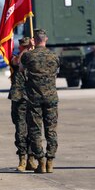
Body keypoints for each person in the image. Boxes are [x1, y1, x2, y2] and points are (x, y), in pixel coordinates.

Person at [21, 29, 60, 173]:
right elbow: (56, 72)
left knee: (35, 131)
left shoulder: (28, 56)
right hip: (51, 98)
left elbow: (20, 69)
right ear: (46, 39)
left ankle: (41, 162)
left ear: (34, 40)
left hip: (34, 98)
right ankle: (50, 161)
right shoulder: (54, 56)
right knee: (51, 130)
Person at [8, 37, 36, 172]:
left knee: (33, 130)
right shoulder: (15, 57)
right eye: (24, 47)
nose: (28, 48)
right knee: (21, 130)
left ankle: (31, 158)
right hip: (19, 98)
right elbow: (17, 62)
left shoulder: (34, 58)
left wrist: (33, 51)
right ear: (20, 47)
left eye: (28, 46)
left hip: (32, 98)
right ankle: (22, 159)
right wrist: (26, 50)